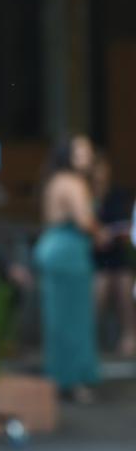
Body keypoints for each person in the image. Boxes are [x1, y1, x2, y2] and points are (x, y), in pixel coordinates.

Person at [34, 135, 106, 402]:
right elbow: (85, 220)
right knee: (74, 320)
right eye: (81, 152)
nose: (87, 156)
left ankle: (60, 378)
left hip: (55, 248)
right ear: (68, 155)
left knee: (59, 319)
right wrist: (101, 234)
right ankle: (74, 381)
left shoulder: (56, 180)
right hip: (68, 252)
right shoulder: (73, 182)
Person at [91, 152, 135, 356]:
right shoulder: (85, 194)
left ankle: (129, 335)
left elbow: (126, 223)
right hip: (94, 256)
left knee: (125, 285)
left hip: (117, 254)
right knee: (100, 287)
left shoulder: (117, 194)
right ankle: (90, 339)